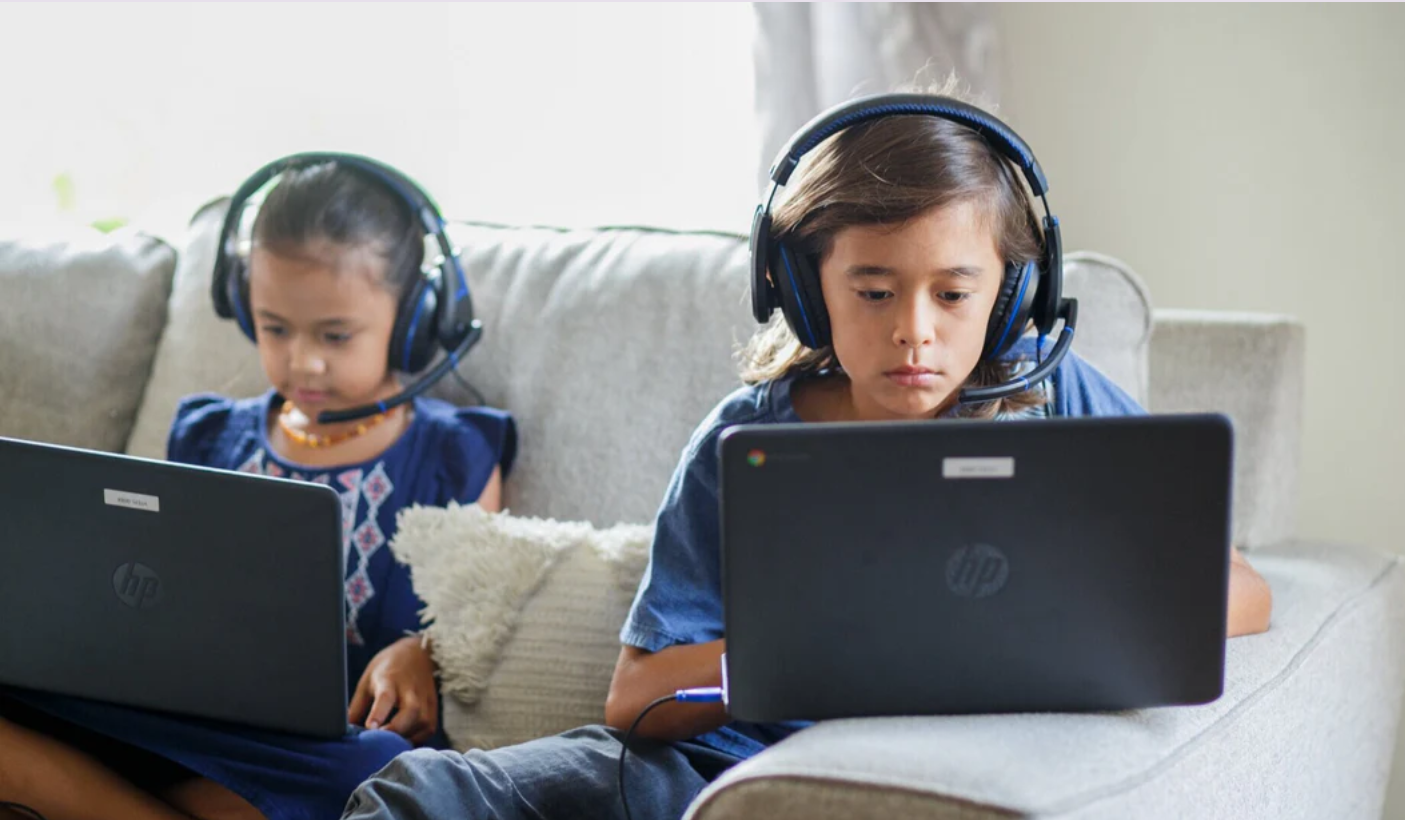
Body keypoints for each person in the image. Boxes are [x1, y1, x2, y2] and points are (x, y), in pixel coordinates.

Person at [341, 91, 1271, 820]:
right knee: (417, 797)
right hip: (728, 766)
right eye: (872, 290)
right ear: (801, 287)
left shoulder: (1048, 394)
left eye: (953, 294)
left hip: (963, 770)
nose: (915, 332)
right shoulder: (746, 440)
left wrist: (1049, 617)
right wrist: (806, 651)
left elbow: (1240, 591)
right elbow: (637, 699)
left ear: (1012, 291)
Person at [0, 157, 516, 820]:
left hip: (324, 749)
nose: (302, 360)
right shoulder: (209, 435)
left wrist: (422, 650)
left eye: (335, 335)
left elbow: (480, 614)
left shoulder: (458, 452)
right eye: (275, 328)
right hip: (185, 727)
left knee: (382, 775)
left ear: (415, 317)